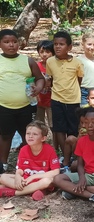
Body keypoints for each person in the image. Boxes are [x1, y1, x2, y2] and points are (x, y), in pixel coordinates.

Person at [53, 107, 94, 208]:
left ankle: (76, 191)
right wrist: (82, 178)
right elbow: (79, 164)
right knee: (57, 179)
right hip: (88, 175)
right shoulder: (82, 141)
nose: (90, 125)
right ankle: (93, 196)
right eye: (86, 122)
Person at [0, 29, 45, 173]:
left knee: (28, 135)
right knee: (6, 135)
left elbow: (40, 78)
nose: (11, 45)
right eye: (6, 42)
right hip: (4, 107)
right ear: (0, 44)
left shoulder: (28, 60)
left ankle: (29, 163)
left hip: (26, 106)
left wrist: (38, 88)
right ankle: (3, 164)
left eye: (14, 41)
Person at [46, 31, 84, 160]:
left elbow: (79, 80)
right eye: (55, 44)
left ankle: (73, 153)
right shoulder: (50, 61)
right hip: (56, 99)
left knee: (72, 129)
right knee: (59, 129)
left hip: (73, 100)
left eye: (61, 44)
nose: (57, 47)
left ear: (69, 47)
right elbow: (50, 79)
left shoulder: (77, 63)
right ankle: (64, 155)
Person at [0, 121, 59, 200]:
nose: (30, 136)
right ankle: (33, 190)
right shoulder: (23, 149)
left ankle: (14, 192)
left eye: (35, 134)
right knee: (3, 177)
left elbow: (56, 172)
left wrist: (33, 177)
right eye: (28, 133)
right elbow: (20, 169)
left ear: (43, 138)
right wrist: (18, 177)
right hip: (25, 180)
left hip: (40, 179)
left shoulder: (49, 150)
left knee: (48, 181)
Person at [35, 40, 57, 150]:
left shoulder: (55, 66)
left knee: (53, 124)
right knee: (39, 123)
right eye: (41, 51)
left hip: (51, 100)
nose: (44, 54)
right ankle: (39, 144)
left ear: (53, 53)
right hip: (38, 100)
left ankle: (55, 145)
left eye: (48, 52)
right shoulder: (36, 66)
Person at [78, 32, 94, 107]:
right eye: (89, 44)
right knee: (84, 112)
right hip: (83, 90)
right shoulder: (78, 60)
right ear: (83, 45)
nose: (92, 47)